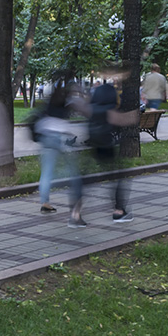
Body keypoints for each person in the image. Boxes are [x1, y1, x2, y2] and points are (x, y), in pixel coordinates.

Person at [88, 67, 139, 223]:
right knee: (118, 176)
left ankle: (75, 213)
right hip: (106, 145)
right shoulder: (108, 110)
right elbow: (123, 120)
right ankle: (119, 210)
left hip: (94, 144)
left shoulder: (94, 108)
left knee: (85, 178)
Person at [35, 75, 86, 227]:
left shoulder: (50, 99)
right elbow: (82, 108)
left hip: (45, 136)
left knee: (47, 171)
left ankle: (45, 202)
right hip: (59, 137)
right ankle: (76, 199)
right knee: (73, 170)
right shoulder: (68, 100)